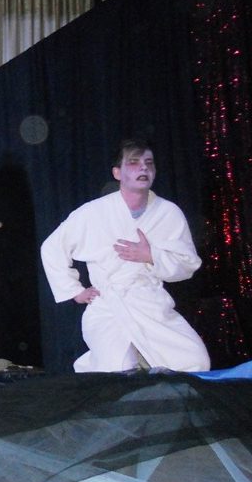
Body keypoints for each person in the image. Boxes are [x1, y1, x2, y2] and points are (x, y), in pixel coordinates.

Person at [40, 138, 210, 372]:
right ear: (117, 173)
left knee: (196, 362)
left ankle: (143, 360)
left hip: (150, 304)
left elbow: (187, 264)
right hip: (107, 306)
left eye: (149, 163)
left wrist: (151, 255)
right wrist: (74, 291)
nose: (143, 168)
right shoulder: (93, 212)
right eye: (133, 162)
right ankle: (107, 361)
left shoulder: (168, 212)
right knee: (118, 369)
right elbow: (52, 248)